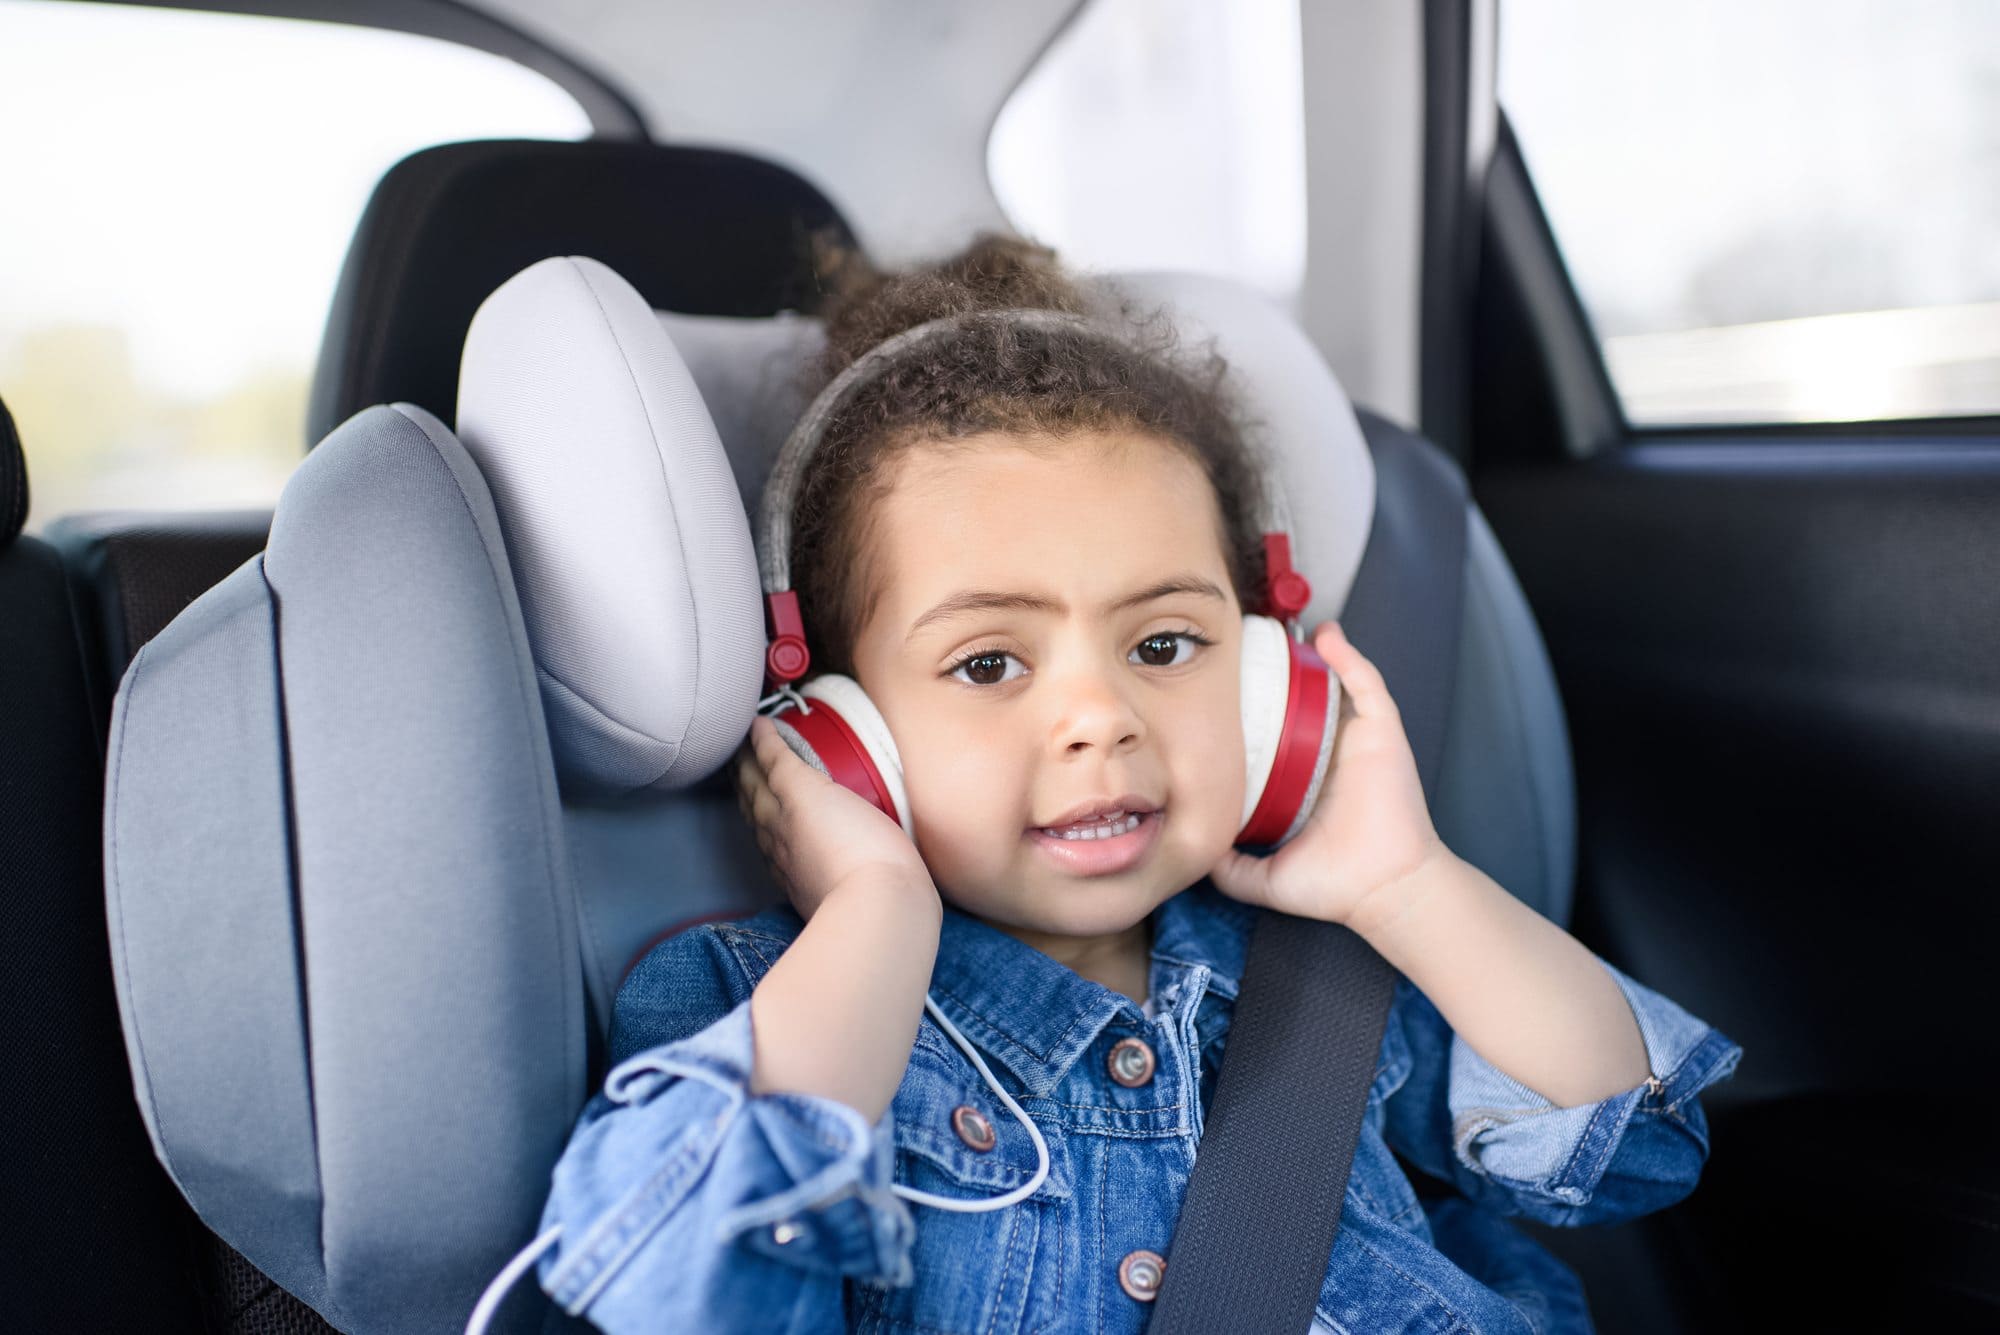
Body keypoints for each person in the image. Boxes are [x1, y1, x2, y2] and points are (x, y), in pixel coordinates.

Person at [528, 234, 1744, 1334]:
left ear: (1271, 682)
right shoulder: (777, 1003)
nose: (1099, 718)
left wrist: (1405, 884)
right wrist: (874, 915)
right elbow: (673, 1281)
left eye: (1162, 646)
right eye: (988, 662)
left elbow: (1635, 1146)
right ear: (844, 731)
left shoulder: (1328, 965)